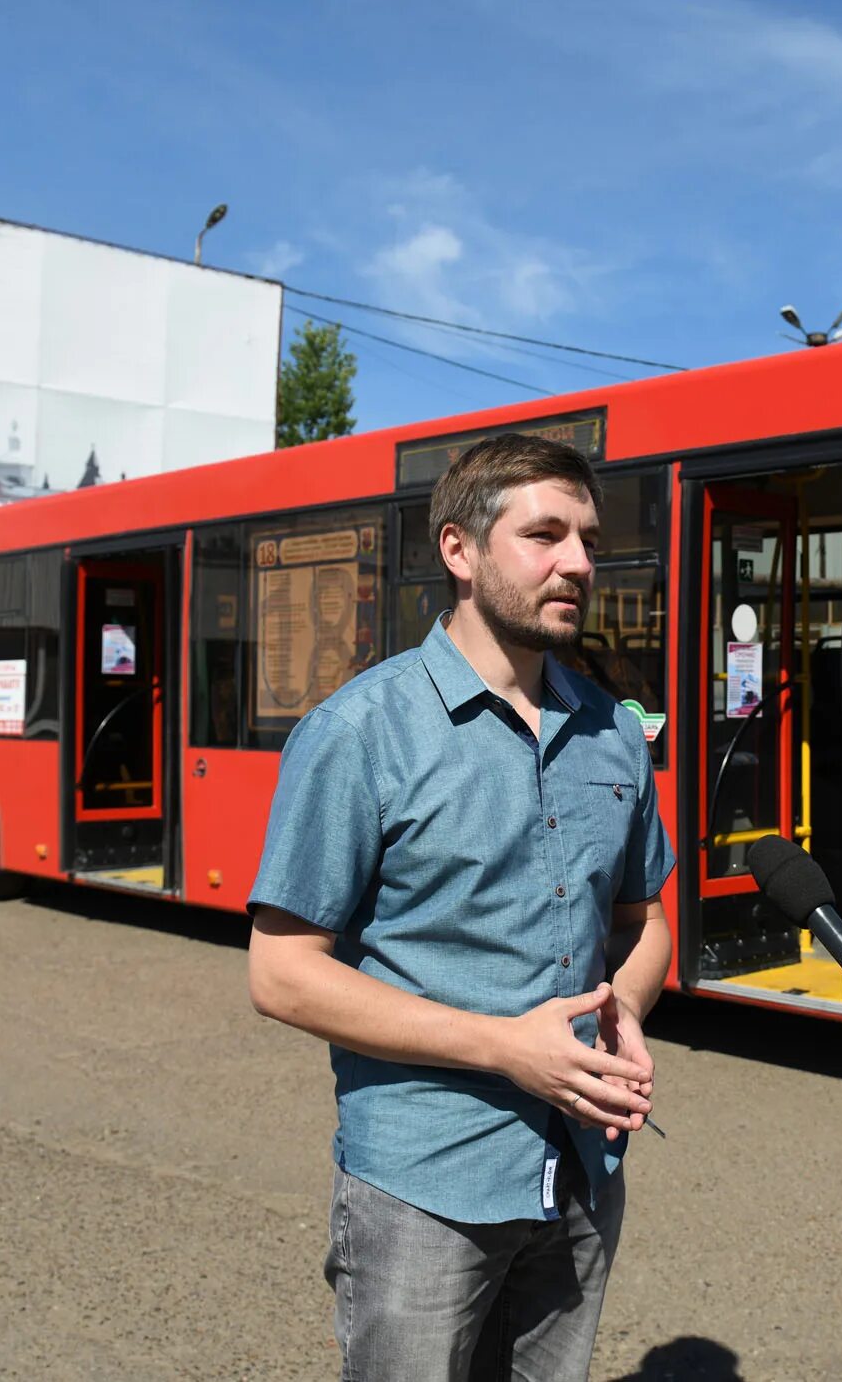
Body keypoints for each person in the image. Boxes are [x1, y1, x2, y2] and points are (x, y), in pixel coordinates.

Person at [246, 433, 675, 1381]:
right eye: (545, 535)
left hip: (581, 1174)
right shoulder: (359, 732)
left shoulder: (614, 731)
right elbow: (279, 972)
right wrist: (504, 1046)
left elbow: (645, 922)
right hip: (423, 1185)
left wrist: (628, 1006)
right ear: (460, 551)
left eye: (589, 541)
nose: (578, 563)